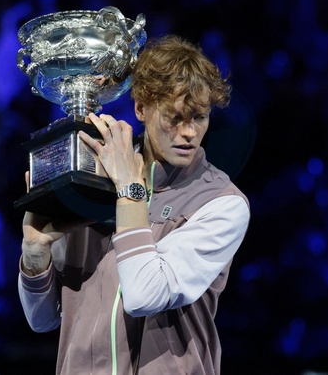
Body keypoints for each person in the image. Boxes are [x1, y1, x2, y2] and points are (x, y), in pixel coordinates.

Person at [18, 34, 250, 374]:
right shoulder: (93, 177)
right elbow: (43, 320)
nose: (189, 132)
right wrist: (35, 255)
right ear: (141, 108)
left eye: (199, 117)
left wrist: (129, 191)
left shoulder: (222, 203)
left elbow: (144, 296)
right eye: (175, 117)